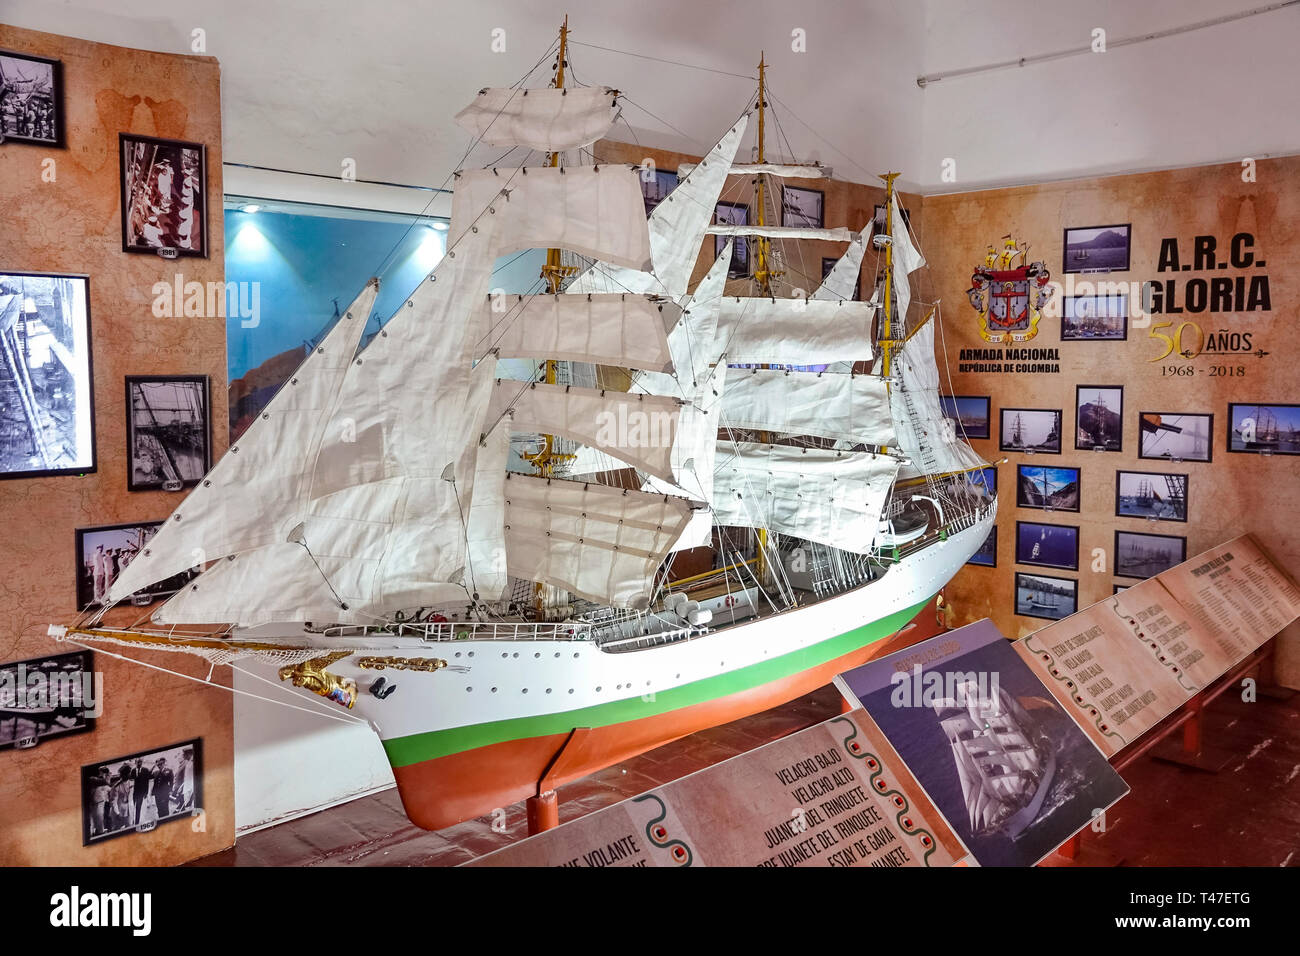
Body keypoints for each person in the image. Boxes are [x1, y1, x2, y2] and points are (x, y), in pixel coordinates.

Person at [131, 758, 152, 825]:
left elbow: (147, 782)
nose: (139, 764)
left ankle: (136, 822)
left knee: (138, 807)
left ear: (142, 763)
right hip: (133, 793)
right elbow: (131, 780)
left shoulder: (145, 770)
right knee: (132, 807)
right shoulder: (133, 770)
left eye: (140, 762)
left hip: (141, 793)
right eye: (138, 762)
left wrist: (146, 793)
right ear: (135, 763)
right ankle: (131, 821)